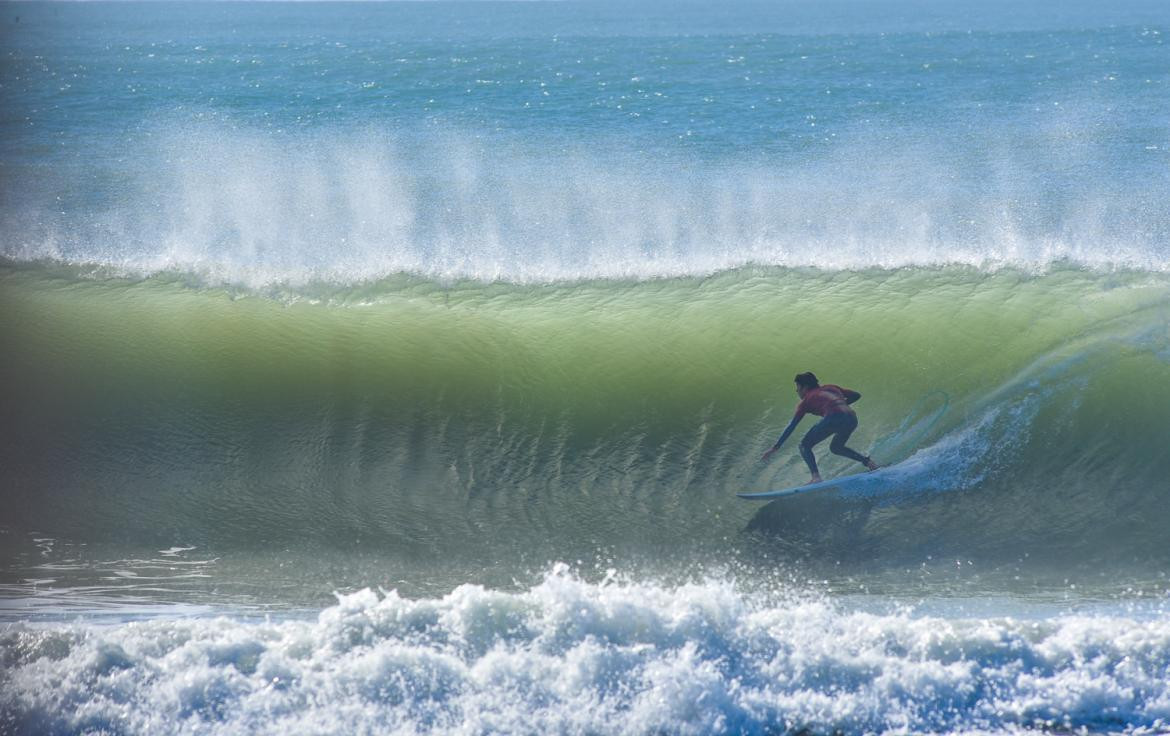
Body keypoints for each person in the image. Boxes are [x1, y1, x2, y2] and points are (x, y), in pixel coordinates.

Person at [761, 372, 879, 484]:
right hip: (851, 418)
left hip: (833, 418)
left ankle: (816, 477)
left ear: (805, 387)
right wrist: (841, 405)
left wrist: (775, 447)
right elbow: (856, 395)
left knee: (804, 445)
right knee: (836, 448)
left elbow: (792, 425)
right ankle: (869, 462)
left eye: (798, 386)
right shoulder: (831, 388)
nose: (796, 390)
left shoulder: (806, 401)